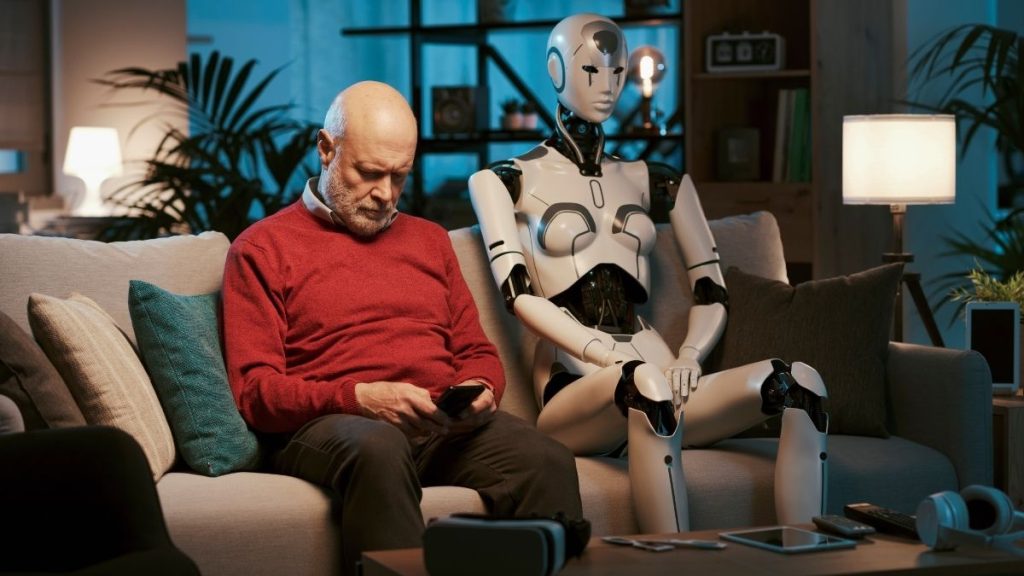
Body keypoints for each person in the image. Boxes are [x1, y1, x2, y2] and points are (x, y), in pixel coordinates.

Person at [468, 13, 829, 534]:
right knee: (645, 386)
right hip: (574, 382)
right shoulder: (505, 180)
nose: (607, 85)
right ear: (555, 69)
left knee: (800, 384)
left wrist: (689, 355)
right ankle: (675, 561)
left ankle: (810, 553)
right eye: (590, 70)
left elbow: (712, 289)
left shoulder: (657, 180)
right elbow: (518, 295)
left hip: (657, 365)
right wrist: (600, 352)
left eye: (616, 72)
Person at [222, 80, 582, 573]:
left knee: (546, 458)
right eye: (369, 173)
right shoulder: (261, 249)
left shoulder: (430, 242)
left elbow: (476, 351)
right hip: (332, 426)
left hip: (438, 425)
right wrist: (360, 399)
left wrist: (481, 389)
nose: (385, 194)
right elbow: (255, 392)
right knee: (379, 445)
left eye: (399, 177)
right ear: (325, 149)